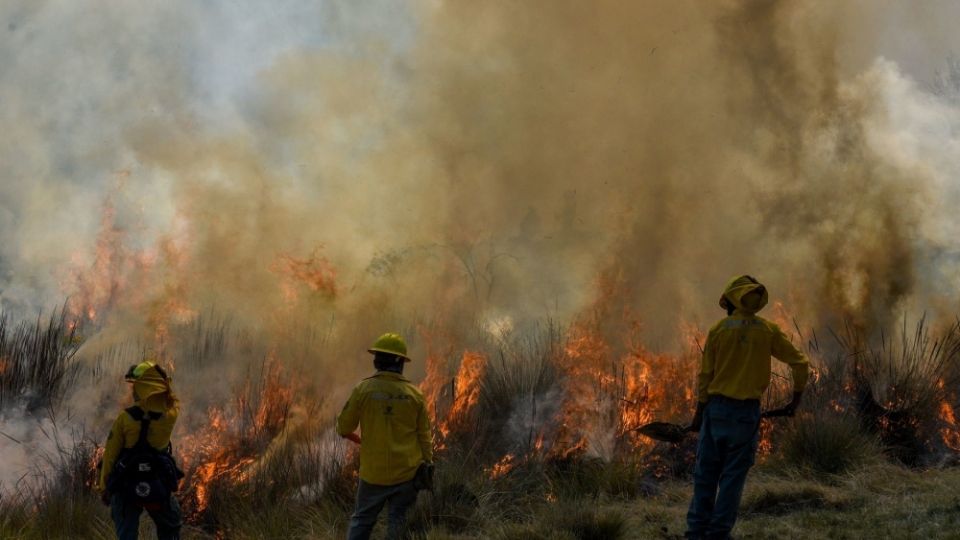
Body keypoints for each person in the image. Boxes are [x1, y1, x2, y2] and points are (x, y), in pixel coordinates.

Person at [685, 275, 810, 540]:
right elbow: (800, 363)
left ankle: (696, 532)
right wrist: (795, 400)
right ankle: (718, 534)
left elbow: (705, 377)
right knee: (732, 478)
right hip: (745, 415)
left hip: (716, 410)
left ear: (731, 301)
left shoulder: (719, 330)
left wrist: (699, 415)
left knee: (706, 474)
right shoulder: (767, 331)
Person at [337, 333, 434, 540]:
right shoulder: (415, 395)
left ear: (376, 361)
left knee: (362, 520)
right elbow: (424, 436)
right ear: (400, 363)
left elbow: (343, 428)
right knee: (398, 522)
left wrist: (363, 441)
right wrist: (428, 462)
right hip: (407, 473)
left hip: (373, 473)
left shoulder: (363, 389)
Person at [98, 360, 183, 540]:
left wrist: (105, 487)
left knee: (126, 534)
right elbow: (172, 398)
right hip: (157, 481)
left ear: (143, 387)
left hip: (125, 483)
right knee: (170, 526)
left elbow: (110, 455)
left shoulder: (125, 418)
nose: (133, 390)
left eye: (136, 386)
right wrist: (162, 379)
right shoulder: (171, 413)